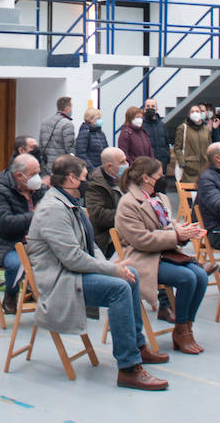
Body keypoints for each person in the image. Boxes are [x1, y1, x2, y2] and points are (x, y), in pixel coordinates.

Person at [25, 155, 169, 391]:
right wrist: (113, 270)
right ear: (71, 179)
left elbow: (91, 247)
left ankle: (137, 346)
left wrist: (115, 268)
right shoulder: (53, 209)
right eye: (84, 177)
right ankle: (128, 367)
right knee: (119, 287)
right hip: (60, 282)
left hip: (73, 273)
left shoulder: (69, 203)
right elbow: (72, 258)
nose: (87, 182)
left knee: (129, 273)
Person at [116, 156, 209, 352]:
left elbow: (168, 225)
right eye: (159, 175)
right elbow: (140, 239)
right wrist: (176, 235)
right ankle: (181, 329)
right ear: (146, 178)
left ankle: (185, 328)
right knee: (187, 278)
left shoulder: (160, 198)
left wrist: (185, 231)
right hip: (143, 256)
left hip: (166, 253)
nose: (162, 177)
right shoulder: (128, 203)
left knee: (201, 276)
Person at [0, 154, 46, 314]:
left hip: (38, 242)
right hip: (8, 244)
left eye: (38, 172)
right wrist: (36, 215)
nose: (38, 177)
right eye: (34, 174)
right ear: (19, 176)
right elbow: (5, 223)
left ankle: (44, 296)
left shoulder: (40, 189)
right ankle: (11, 294)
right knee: (16, 265)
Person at [84, 147, 127, 256]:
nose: (126, 164)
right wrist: (128, 216)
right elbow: (98, 215)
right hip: (107, 237)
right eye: (122, 162)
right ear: (109, 166)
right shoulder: (95, 185)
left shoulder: (125, 177)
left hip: (126, 230)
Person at [171, 104, 211, 184]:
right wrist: (182, 163)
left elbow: (209, 145)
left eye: (197, 111)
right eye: (192, 112)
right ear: (189, 115)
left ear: (201, 114)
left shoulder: (206, 128)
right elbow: (177, 148)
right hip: (189, 169)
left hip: (205, 167)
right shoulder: (183, 128)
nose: (195, 113)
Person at [39, 96, 76, 164]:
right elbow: (69, 148)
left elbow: (41, 145)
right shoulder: (67, 124)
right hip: (61, 165)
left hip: (47, 164)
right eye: (71, 108)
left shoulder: (45, 122)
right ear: (67, 109)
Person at [141, 99, 171, 166]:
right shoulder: (141, 125)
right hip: (147, 163)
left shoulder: (162, 125)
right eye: (148, 106)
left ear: (156, 109)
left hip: (162, 162)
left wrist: (167, 157)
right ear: (144, 109)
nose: (150, 108)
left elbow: (166, 143)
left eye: (153, 106)